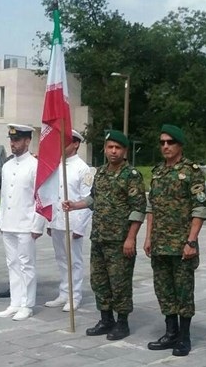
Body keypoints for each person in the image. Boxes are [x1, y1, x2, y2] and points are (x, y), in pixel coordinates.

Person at [65, 130, 146, 341]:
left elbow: (138, 209)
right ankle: (106, 318)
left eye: (118, 148)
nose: (113, 151)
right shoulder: (100, 173)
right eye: (110, 147)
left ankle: (122, 323)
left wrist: (131, 238)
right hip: (99, 237)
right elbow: (93, 199)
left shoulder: (132, 176)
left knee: (120, 283)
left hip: (119, 241)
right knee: (99, 281)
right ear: (105, 149)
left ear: (125, 151)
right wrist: (74, 205)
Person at [144, 124, 206, 357]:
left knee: (183, 292)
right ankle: (170, 332)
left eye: (170, 142)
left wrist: (191, 241)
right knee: (164, 290)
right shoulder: (158, 172)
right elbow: (151, 207)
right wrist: (148, 236)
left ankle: (184, 336)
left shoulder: (191, 171)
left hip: (182, 245)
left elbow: (199, 208)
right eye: (162, 143)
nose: (165, 146)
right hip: (160, 244)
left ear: (179, 145)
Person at [0, 124, 43, 321]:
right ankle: (15, 302)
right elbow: (4, 197)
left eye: (16, 140)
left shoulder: (34, 165)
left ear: (27, 141)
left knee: (26, 265)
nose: (13, 144)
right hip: (9, 223)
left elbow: (41, 197)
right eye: (11, 140)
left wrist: (37, 225)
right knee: (12, 263)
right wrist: (1, 222)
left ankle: (27, 304)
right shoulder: (7, 166)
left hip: (26, 223)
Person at [45, 129, 94, 312]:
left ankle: (75, 295)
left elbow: (88, 199)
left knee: (74, 260)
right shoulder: (56, 165)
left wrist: (80, 227)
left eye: (65, 142)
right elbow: (52, 194)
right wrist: (50, 222)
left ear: (75, 144)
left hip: (73, 221)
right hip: (58, 219)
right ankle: (64, 292)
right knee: (61, 259)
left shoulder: (83, 169)